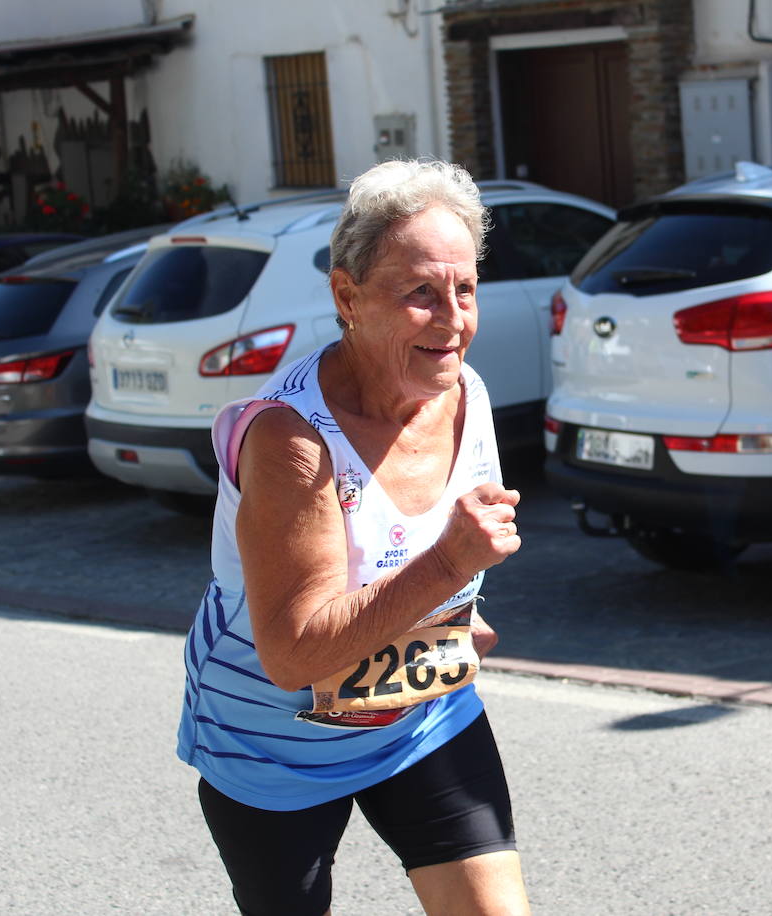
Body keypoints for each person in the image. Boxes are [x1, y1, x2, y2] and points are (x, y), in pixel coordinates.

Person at [176, 159, 531, 916]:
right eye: (420, 295)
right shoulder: (292, 443)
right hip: (272, 744)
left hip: (422, 720)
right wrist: (448, 566)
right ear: (347, 295)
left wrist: (456, 622)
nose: (453, 319)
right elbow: (293, 653)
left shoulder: (466, 392)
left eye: (465, 290)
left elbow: (431, 569)